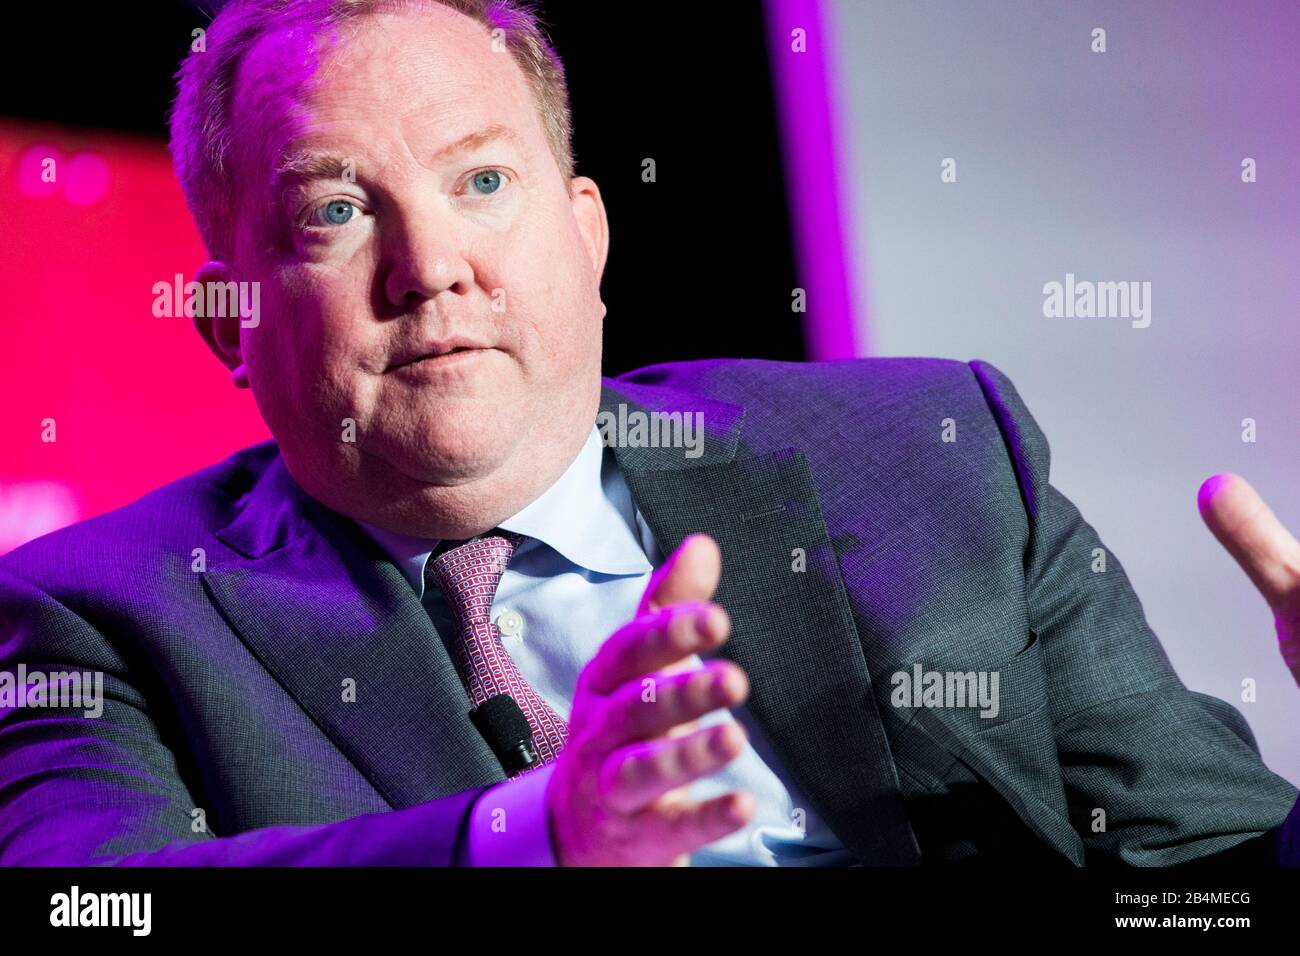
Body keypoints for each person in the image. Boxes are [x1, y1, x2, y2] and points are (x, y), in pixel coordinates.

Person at [0, 0, 1295, 866]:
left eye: (484, 182)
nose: (431, 265)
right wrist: (539, 837)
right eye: (336, 211)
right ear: (224, 320)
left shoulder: (935, 457)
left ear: (590, 236)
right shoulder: (94, 617)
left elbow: (1207, 876)